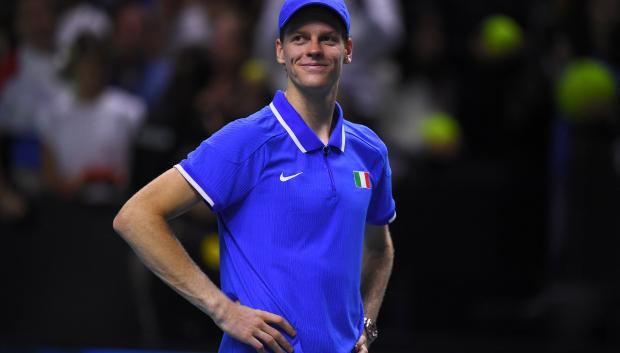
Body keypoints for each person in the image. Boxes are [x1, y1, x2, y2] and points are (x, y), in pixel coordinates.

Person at [113, 1, 396, 352]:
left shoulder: (369, 150)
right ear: (280, 50)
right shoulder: (247, 140)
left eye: (328, 38)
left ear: (348, 49)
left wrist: (365, 326)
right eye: (299, 38)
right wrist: (223, 310)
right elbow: (136, 216)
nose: (313, 49)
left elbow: (380, 248)